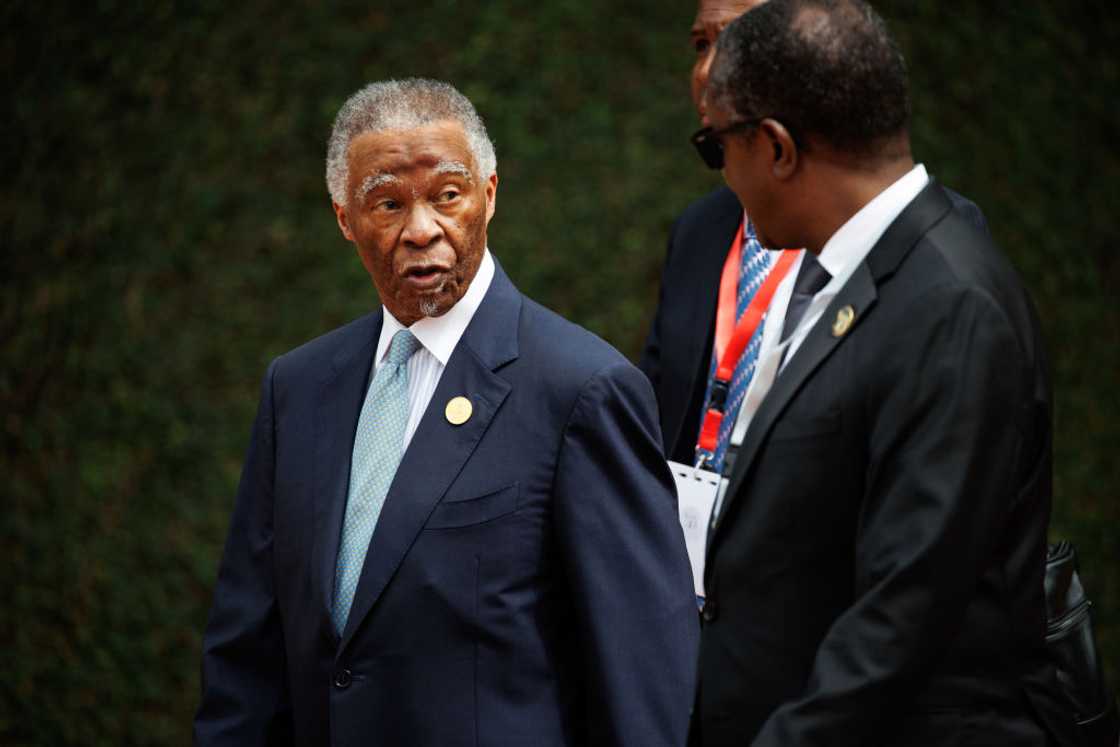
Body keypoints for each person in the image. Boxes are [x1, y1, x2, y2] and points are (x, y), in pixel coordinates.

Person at [194, 78, 699, 747]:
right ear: (344, 217)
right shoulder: (299, 387)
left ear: (489, 195)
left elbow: (641, 680)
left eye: (448, 195)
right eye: (388, 203)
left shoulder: (582, 388)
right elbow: (246, 656)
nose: (421, 229)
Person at [691, 2, 1080, 745]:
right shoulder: (857, 273)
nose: (722, 176)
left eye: (715, 147)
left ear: (775, 147)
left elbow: (905, 611)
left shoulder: (951, 308)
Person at [639, 0, 986, 472]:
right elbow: (655, 416)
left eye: (740, 42)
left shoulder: (926, 246)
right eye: (702, 45)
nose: (707, 71)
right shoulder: (699, 229)